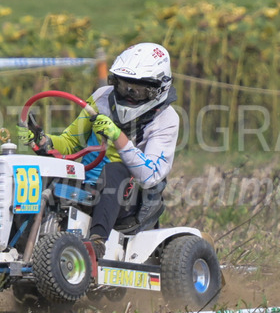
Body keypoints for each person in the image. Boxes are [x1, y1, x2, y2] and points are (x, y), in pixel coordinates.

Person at [17, 43, 180, 255]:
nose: (128, 94)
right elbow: (69, 143)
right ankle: (16, 248)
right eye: (123, 86)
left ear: (157, 89)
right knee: (35, 174)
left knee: (115, 170)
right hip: (86, 186)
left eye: (137, 90)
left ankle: (96, 244)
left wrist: (118, 137)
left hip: (131, 200)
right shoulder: (102, 98)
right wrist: (41, 141)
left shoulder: (166, 119)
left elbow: (149, 176)